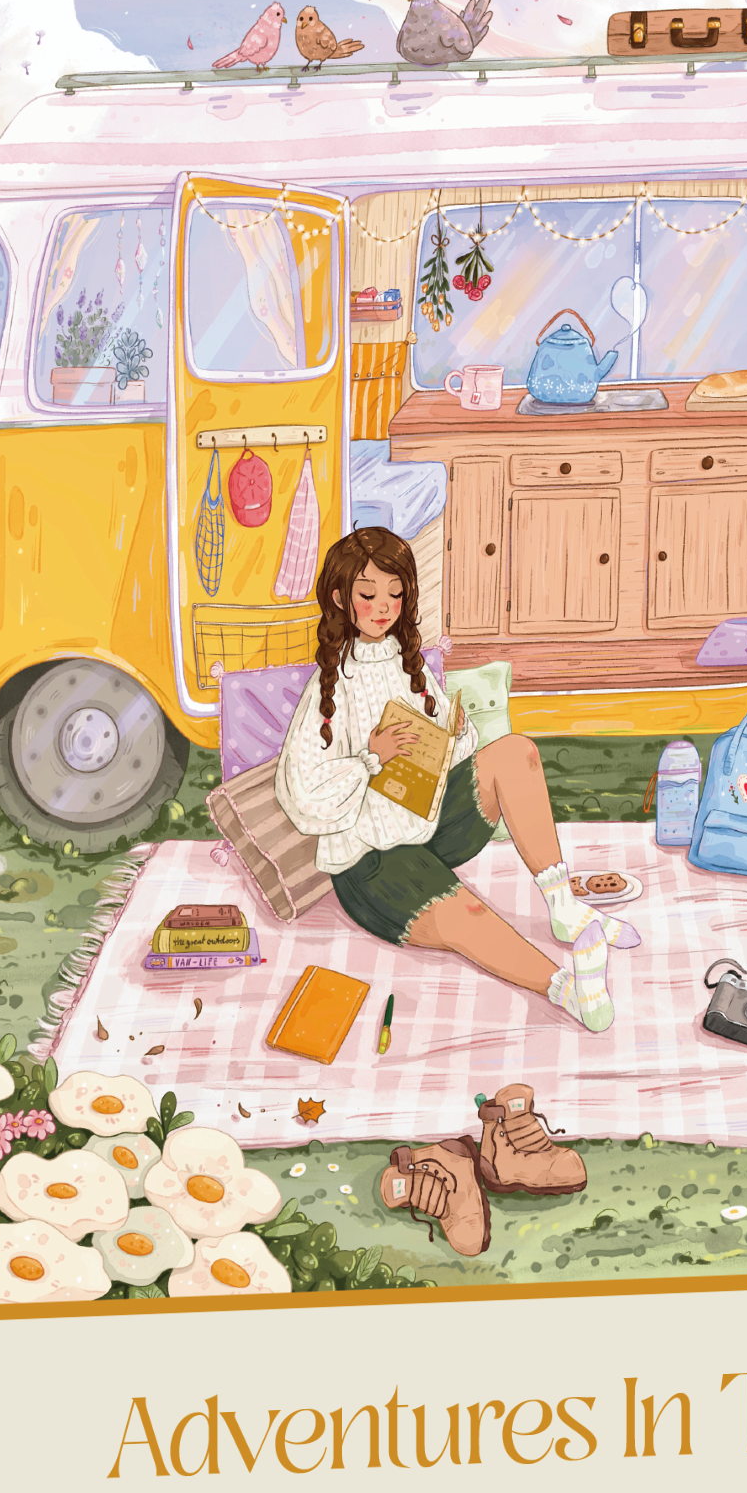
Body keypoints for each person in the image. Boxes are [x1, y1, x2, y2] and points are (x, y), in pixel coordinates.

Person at [273, 528, 610, 1254]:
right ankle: (566, 989)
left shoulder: (409, 665)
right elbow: (302, 798)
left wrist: (453, 733)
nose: (382, 606)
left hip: (420, 825)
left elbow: (438, 753)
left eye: (395, 594)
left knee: (513, 753)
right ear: (341, 598)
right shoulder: (328, 690)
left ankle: (561, 903)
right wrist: (369, 759)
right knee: (467, 913)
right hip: (369, 860)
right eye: (368, 593)